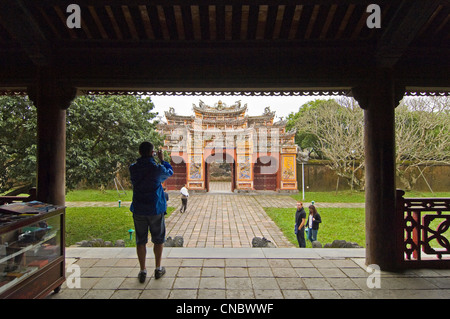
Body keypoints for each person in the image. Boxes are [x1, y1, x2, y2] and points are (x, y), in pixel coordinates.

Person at [129, 142, 173, 282]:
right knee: (158, 239)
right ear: (152, 152)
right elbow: (169, 172)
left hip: (139, 208)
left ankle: (142, 270)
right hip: (155, 208)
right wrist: (162, 160)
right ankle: (158, 268)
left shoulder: (133, 168)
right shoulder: (157, 169)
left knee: (140, 240)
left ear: (140, 152)